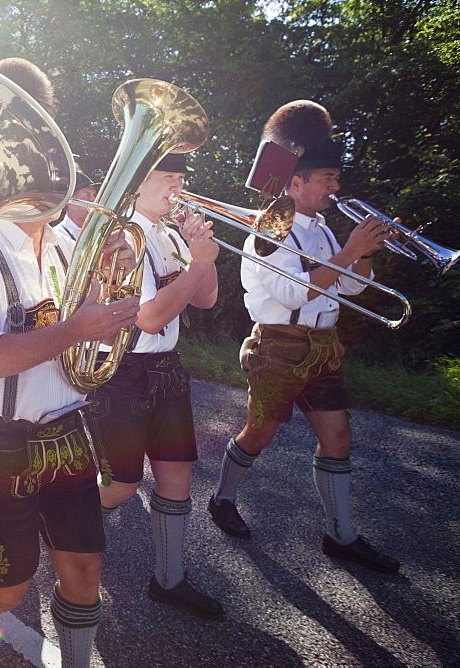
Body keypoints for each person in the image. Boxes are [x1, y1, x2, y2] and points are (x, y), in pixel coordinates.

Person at [0, 57, 140, 668]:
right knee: (8, 587)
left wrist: (118, 278)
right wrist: (76, 325)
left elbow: (101, 342)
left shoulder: (73, 239)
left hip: (69, 429)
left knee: (83, 569)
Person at [207, 100, 400, 573]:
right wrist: (351, 248)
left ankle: (340, 534)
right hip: (279, 346)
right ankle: (222, 497)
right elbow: (295, 291)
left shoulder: (323, 231)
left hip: (322, 346)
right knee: (262, 431)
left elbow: (352, 286)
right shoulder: (269, 232)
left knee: (339, 436)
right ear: (296, 183)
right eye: (327, 179)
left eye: (335, 179)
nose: (336, 188)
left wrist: (366, 252)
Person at [84, 152, 223, 618]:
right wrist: (197, 263)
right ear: (139, 181)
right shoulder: (120, 234)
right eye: (169, 176)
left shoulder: (167, 233)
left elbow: (205, 299)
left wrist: (202, 254)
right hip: (122, 370)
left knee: (176, 475)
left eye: (182, 176)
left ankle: (170, 579)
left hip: (166, 366)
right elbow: (148, 317)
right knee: (121, 484)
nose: (178, 185)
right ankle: (64, 530)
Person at [53, 167, 99, 243]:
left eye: (94, 195)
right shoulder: (56, 236)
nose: (94, 201)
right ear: (71, 202)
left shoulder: (101, 230)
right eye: (87, 195)